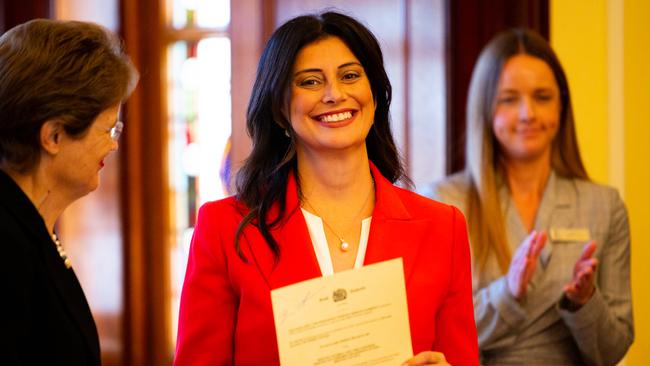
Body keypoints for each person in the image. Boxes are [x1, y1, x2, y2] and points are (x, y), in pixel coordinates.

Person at [174, 11, 478, 366]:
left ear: (375, 95)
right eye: (310, 82)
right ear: (278, 110)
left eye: (350, 76)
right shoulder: (225, 229)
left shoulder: (443, 228)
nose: (335, 94)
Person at [420, 28, 633, 365]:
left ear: (561, 105)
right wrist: (509, 293)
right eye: (509, 99)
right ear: (485, 109)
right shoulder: (444, 202)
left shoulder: (604, 206)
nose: (527, 114)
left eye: (542, 97)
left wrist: (585, 302)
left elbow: (612, 351)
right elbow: (432, 338)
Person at [0, 19, 138, 365]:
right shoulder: (6, 245)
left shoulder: (33, 223)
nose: (113, 145)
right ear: (54, 136)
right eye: (108, 128)